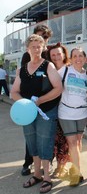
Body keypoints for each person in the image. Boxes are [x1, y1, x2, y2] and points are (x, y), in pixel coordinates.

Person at [10, 34, 62, 193]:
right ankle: (37, 174)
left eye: (39, 46)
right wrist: (25, 104)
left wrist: (39, 101)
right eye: (33, 46)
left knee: (45, 142)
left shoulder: (48, 66)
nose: (36, 49)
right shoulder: (22, 70)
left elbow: (58, 89)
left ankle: (47, 177)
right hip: (28, 114)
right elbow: (14, 92)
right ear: (28, 49)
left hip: (46, 111)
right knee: (32, 142)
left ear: (43, 48)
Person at [20, 24, 53, 176]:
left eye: (45, 37)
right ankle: (28, 162)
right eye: (40, 36)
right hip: (30, 103)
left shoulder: (51, 53)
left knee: (45, 137)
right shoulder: (27, 55)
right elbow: (24, 77)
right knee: (31, 136)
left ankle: (48, 164)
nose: (43, 40)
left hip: (48, 102)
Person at [58, 47, 87, 186]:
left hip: (83, 113)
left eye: (80, 56)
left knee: (78, 141)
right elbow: (51, 82)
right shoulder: (64, 71)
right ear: (70, 58)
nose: (78, 59)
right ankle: (76, 173)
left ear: (85, 58)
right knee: (72, 142)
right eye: (75, 56)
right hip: (66, 112)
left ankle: (75, 166)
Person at [46, 42, 70, 179]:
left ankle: (61, 168)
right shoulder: (49, 70)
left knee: (64, 141)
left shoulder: (70, 69)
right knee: (52, 140)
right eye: (53, 55)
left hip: (66, 111)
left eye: (58, 54)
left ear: (64, 54)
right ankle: (49, 166)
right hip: (52, 110)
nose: (56, 57)